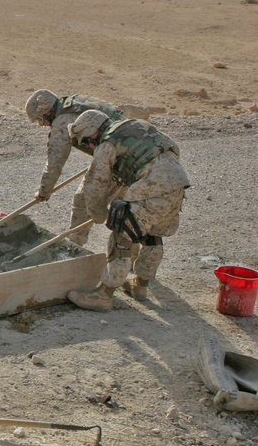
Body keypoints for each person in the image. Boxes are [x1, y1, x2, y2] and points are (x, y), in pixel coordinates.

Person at [65, 110, 191, 311]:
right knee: (152, 236)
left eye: (87, 140)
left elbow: (96, 185)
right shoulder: (134, 125)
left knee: (122, 237)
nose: (89, 145)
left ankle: (103, 295)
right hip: (177, 184)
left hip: (149, 190)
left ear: (93, 131)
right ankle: (141, 285)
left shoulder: (107, 143)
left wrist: (99, 215)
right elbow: (173, 146)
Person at [25, 89, 126, 246]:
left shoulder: (62, 121)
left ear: (46, 112)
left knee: (82, 200)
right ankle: (128, 258)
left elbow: (55, 162)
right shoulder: (75, 103)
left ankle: (75, 247)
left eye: (40, 119)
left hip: (115, 160)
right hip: (129, 154)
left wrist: (44, 191)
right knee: (126, 207)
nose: (42, 125)